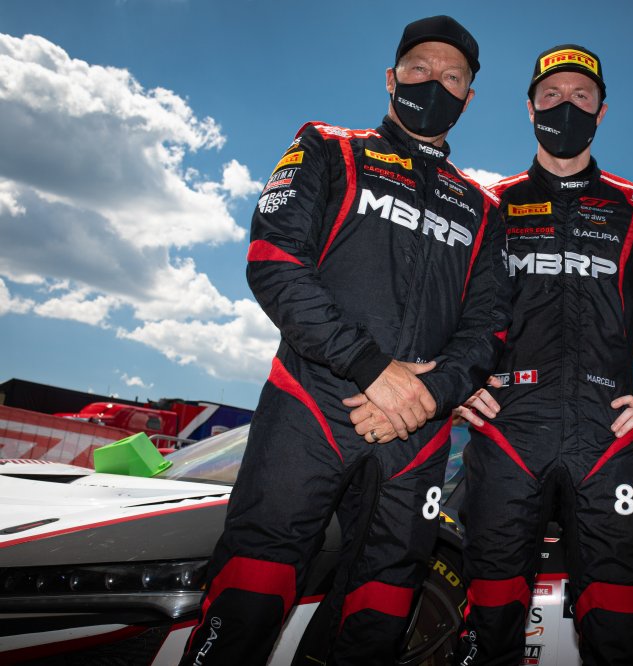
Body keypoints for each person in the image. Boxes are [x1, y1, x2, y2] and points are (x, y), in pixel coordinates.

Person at [180, 16, 511, 666]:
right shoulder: (328, 147)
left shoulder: (484, 208)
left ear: (469, 98)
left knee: (377, 621)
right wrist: (374, 371)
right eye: (420, 69)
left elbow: (491, 328)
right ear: (391, 77)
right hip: (310, 411)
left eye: (452, 77)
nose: (434, 83)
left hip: (417, 435)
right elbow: (275, 261)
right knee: (248, 600)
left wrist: (427, 395)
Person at [452, 44, 633, 665]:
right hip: (505, 436)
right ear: (530, 108)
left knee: (617, 637)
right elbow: (438, 308)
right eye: (551, 96)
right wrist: (454, 386)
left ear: (601, 112)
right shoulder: (488, 202)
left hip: (606, 443)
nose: (566, 106)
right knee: (488, 634)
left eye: (581, 96)